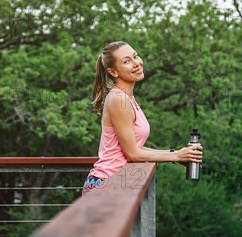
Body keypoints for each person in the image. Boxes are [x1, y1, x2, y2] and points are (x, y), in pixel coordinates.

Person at [82, 41, 203, 195]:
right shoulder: (118, 99)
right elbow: (132, 153)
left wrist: (175, 154)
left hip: (118, 182)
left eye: (135, 56)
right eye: (126, 61)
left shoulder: (128, 98)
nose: (136, 63)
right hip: (106, 184)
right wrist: (176, 155)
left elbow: (134, 148)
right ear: (113, 72)